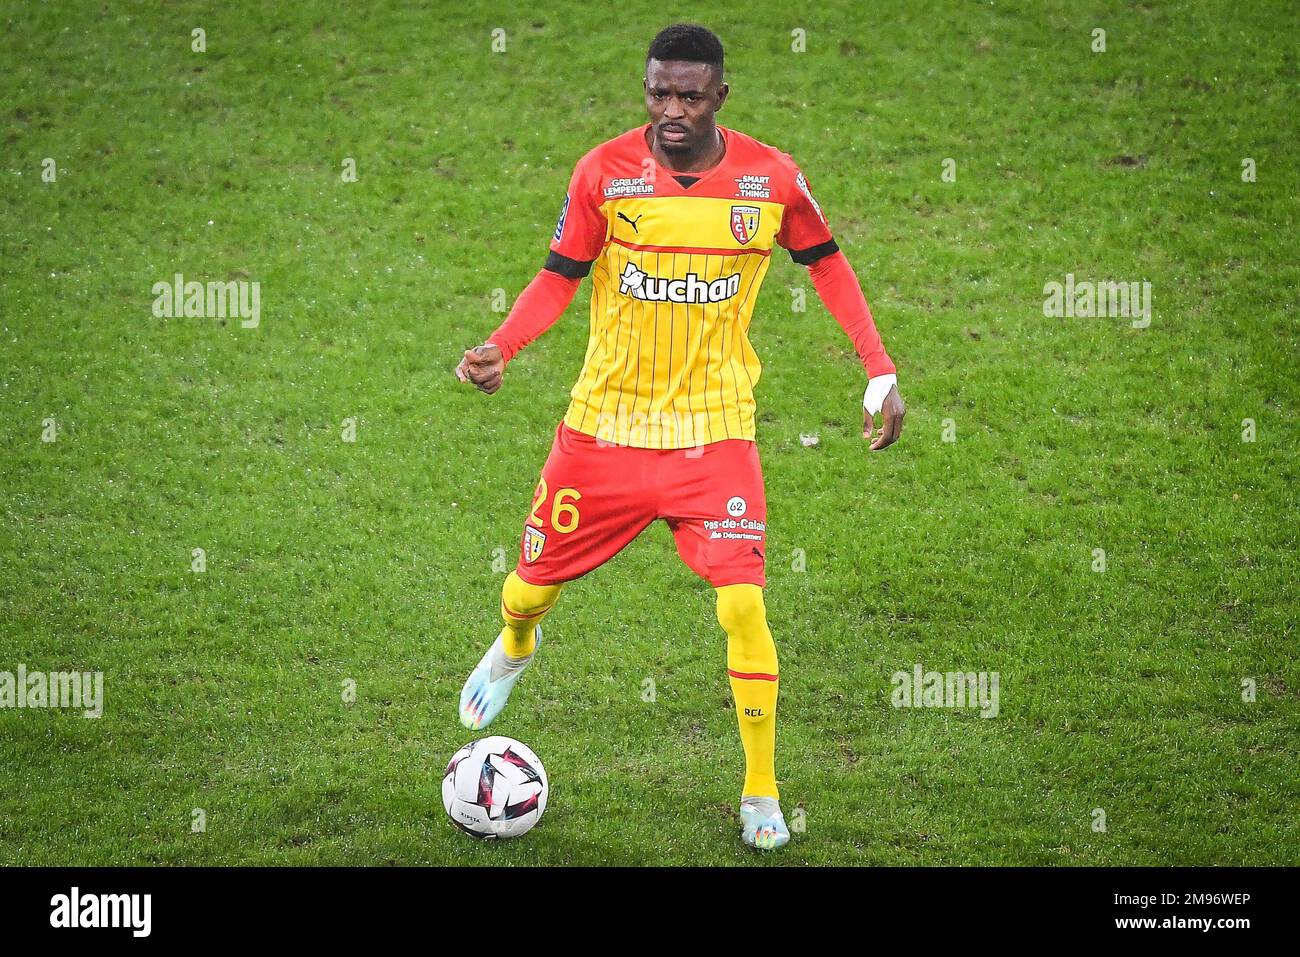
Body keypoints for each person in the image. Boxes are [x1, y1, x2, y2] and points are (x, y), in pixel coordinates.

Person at [454, 22, 904, 850]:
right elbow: (559, 278)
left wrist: (878, 367)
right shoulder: (604, 173)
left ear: (721, 97)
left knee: (742, 600)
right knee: (526, 589)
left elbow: (827, 260)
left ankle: (761, 788)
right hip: (604, 428)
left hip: (714, 434)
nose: (670, 109)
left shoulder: (769, 179)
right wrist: (502, 347)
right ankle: (516, 647)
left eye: (689, 95)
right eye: (659, 91)